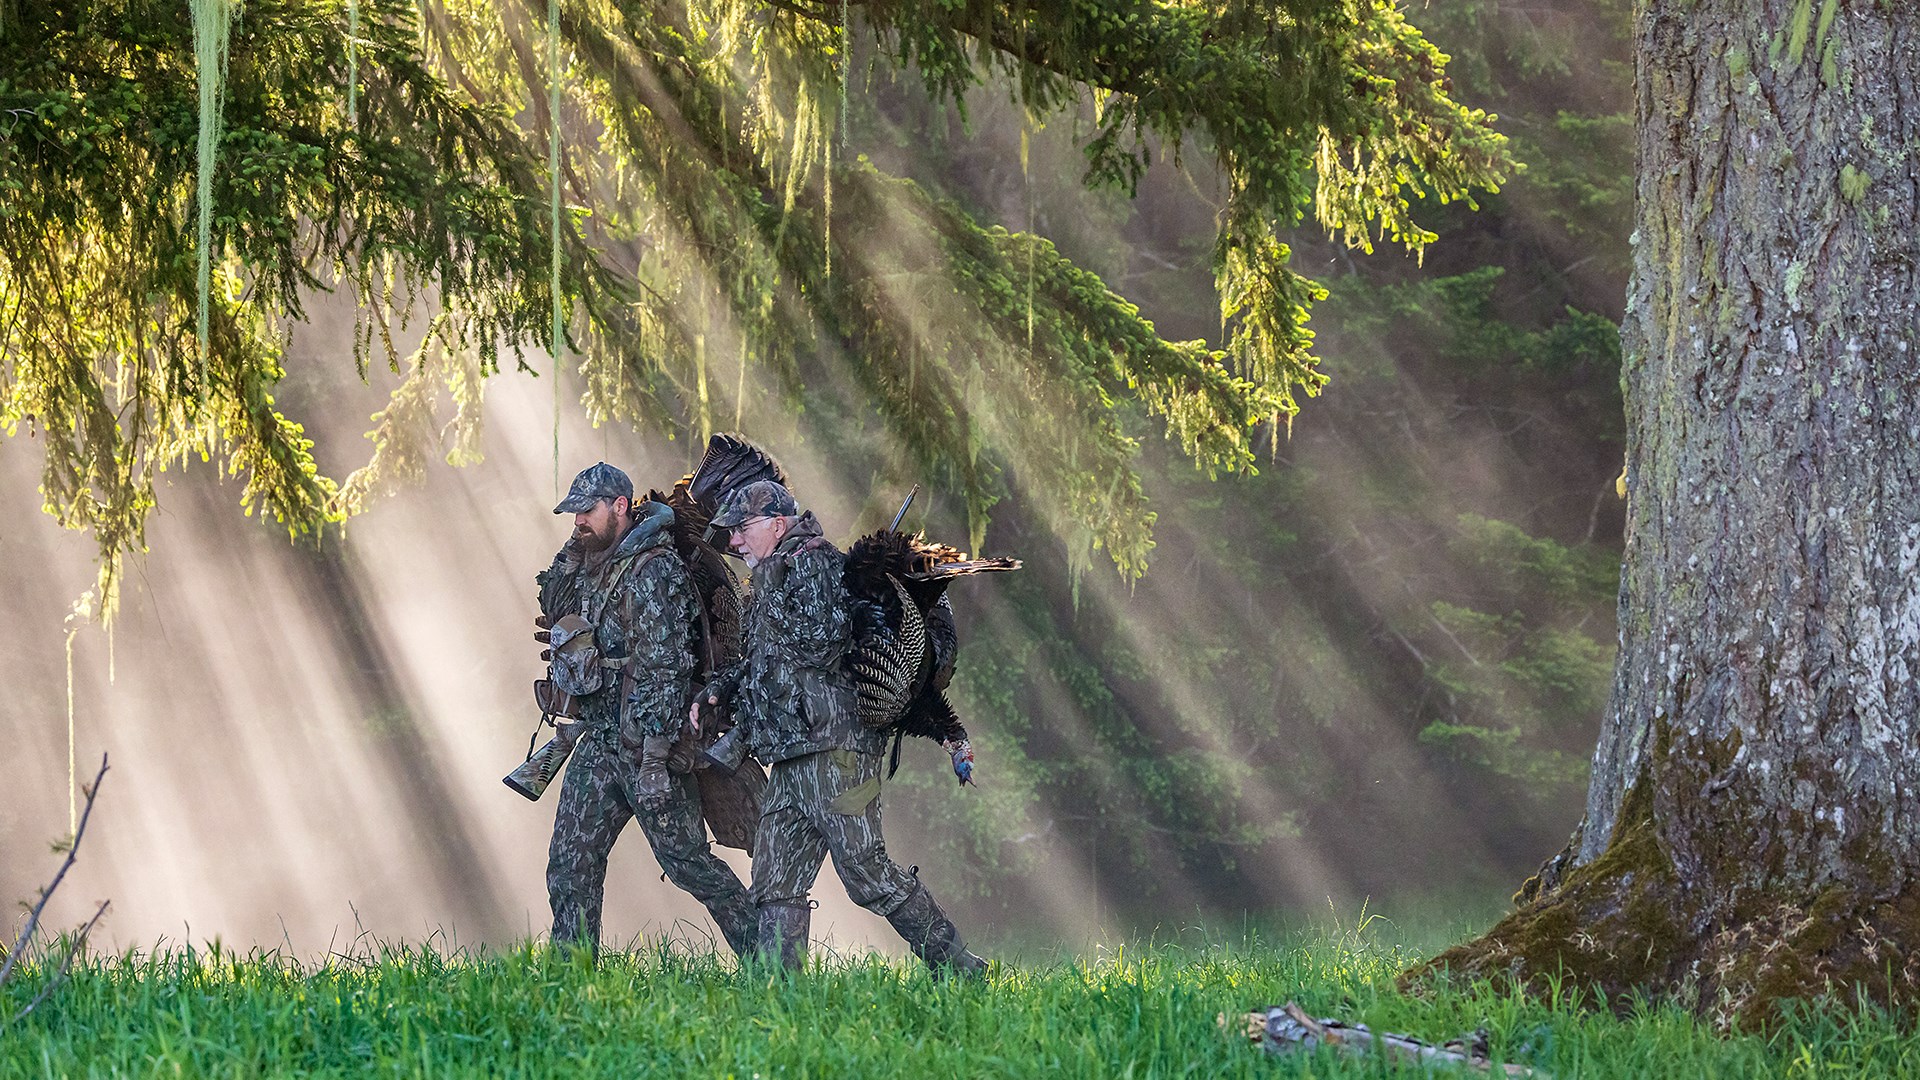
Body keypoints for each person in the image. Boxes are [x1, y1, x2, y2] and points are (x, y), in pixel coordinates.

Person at [697, 480, 987, 975]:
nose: (735, 541)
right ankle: (777, 992)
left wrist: (771, 592)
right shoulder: (775, 573)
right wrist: (721, 688)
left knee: (866, 873)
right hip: (792, 753)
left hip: (836, 751)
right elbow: (767, 659)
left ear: (777, 524)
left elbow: (822, 641)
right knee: (774, 879)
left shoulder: (813, 564)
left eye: (742, 529)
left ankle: (959, 965)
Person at [539, 462, 755, 955]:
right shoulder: (592, 562)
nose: (578, 520)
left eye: (586, 511)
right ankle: (570, 974)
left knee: (688, 864)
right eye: (573, 514)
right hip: (599, 740)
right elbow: (554, 603)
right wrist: (573, 547)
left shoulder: (653, 568)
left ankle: (770, 958)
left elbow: (665, 667)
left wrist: (656, 759)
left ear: (620, 506)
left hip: (645, 744)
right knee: (570, 863)